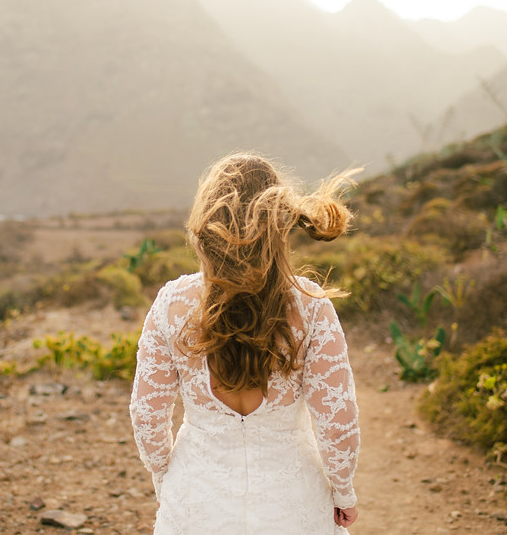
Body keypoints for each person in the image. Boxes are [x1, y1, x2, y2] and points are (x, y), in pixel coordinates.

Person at [129, 153, 361, 534]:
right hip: (292, 506)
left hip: (197, 502)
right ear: (279, 222)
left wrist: (163, 477)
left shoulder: (172, 303)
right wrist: (343, 492)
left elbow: (147, 414)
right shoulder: (311, 306)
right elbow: (337, 421)